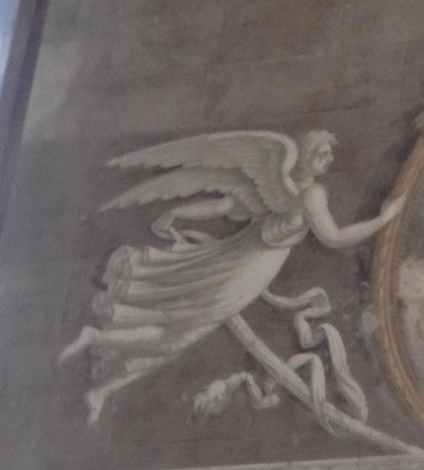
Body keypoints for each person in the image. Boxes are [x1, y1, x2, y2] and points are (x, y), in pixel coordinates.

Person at [59, 129, 404, 421]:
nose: (328, 161)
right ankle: (97, 351)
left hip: (236, 260)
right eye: (321, 155)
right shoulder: (311, 194)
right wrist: (384, 218)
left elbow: (223, 206)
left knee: (178, 328)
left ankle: (102, 380)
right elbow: (333, 237)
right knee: (180, 330)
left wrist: (178, 213)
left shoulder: (279, 189)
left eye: (329, 155)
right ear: (303, 156)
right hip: (244, 270)